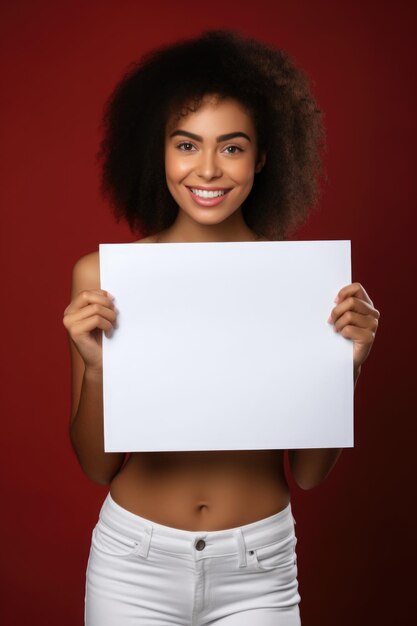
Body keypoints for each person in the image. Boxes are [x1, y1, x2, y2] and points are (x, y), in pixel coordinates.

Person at [62, 29, 380, 626]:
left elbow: (309, 475)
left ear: (262, 157)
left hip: (258, 566)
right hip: (134, 562)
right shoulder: (102, 276)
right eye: (187, 144)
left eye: (232, 148)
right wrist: (101, 370)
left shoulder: (305, 284)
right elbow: (95, 466)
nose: (207, 168)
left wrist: (348, 366)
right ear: (158, 152)